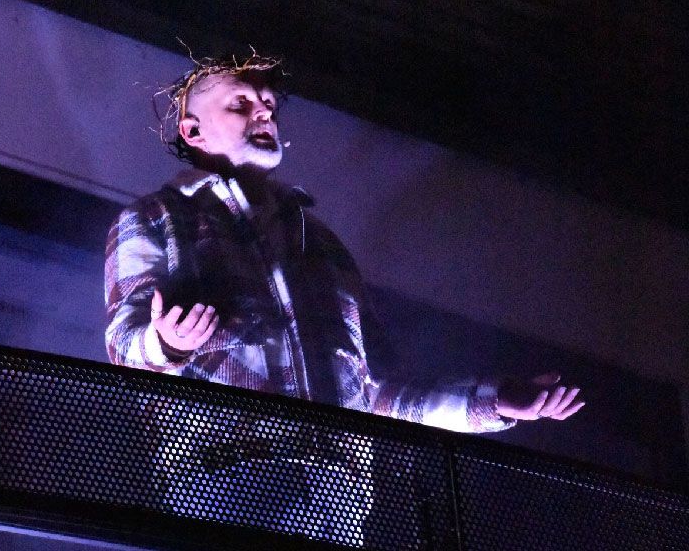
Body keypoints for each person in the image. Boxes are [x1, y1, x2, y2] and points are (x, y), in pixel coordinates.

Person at [103, 53, 584, 543]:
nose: (263, 112)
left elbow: (380, 389)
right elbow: (124, 344)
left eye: (268, 104)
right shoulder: (157, 218)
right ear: (193, 131)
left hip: (338, 491)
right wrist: (166, 342)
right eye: (240, 104)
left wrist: (495, 402)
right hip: (225, 475)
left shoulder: (321, 245)